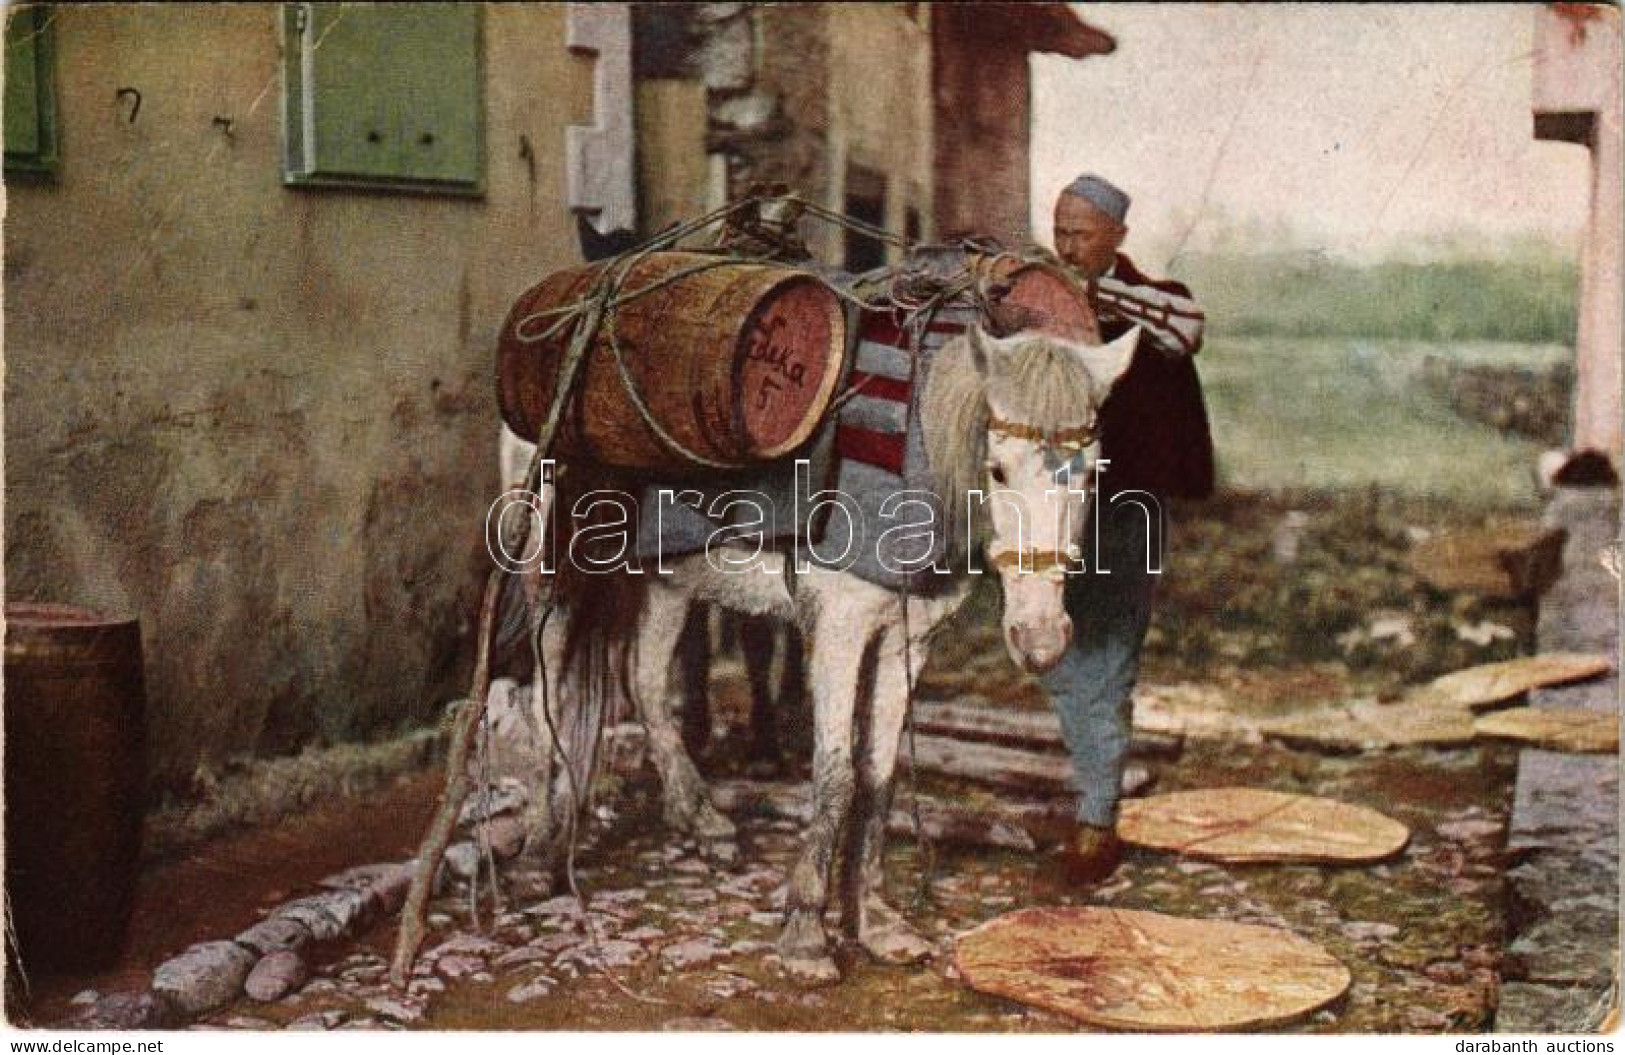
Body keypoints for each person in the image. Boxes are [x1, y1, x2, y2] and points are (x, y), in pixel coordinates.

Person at [1040, 174, 1215, 883]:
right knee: (1051, 648)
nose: (1065, 246)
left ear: (1116, 235)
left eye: (1080, 233)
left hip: (1126, 504)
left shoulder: (1159, 301)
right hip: (1054, 507)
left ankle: (1095, 818)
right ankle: (1091, 788)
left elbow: (1184, 332)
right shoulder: (1042, 299)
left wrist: (1088, 293)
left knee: (1109, 648)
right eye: (1058, 231)